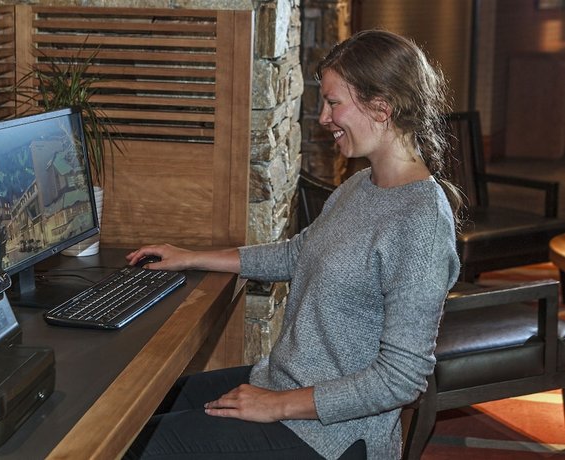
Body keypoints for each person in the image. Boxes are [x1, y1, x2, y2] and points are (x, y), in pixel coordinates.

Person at [122, 29, 462, 460]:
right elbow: (296, 254)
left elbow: (402, 379)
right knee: (140, 412)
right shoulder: (361, 185)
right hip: (284, 385)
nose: (323, 117)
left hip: (334, 436)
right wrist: (190, 257)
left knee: (139, 446)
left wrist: (277, 405)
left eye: (333, 103)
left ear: (382, 108)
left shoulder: (421, 223)